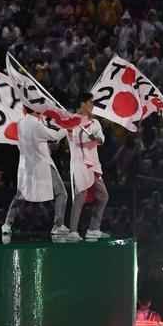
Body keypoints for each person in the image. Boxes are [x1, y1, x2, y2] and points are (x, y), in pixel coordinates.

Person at [3, 108, 68, 237]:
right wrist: (67, 127)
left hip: (26, 165)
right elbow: (55, 136)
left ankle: (7, 224)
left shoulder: (21, 123)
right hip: (41, 164)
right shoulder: (36, 124)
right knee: (62, 193)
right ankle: (58, 225)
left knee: (20, 196)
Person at [64, 93, 109, 241]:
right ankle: (73, 231)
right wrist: (73, 129)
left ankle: (93, 229)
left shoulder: (95, 123)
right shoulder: (72, 121)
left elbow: (102, 139)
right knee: (80, 196)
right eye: (90, 102)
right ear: (82, 104)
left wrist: (96, 138)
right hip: (79, 164)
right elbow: (72, 139)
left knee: (103, 196)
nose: (92, 105)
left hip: (94, 165)